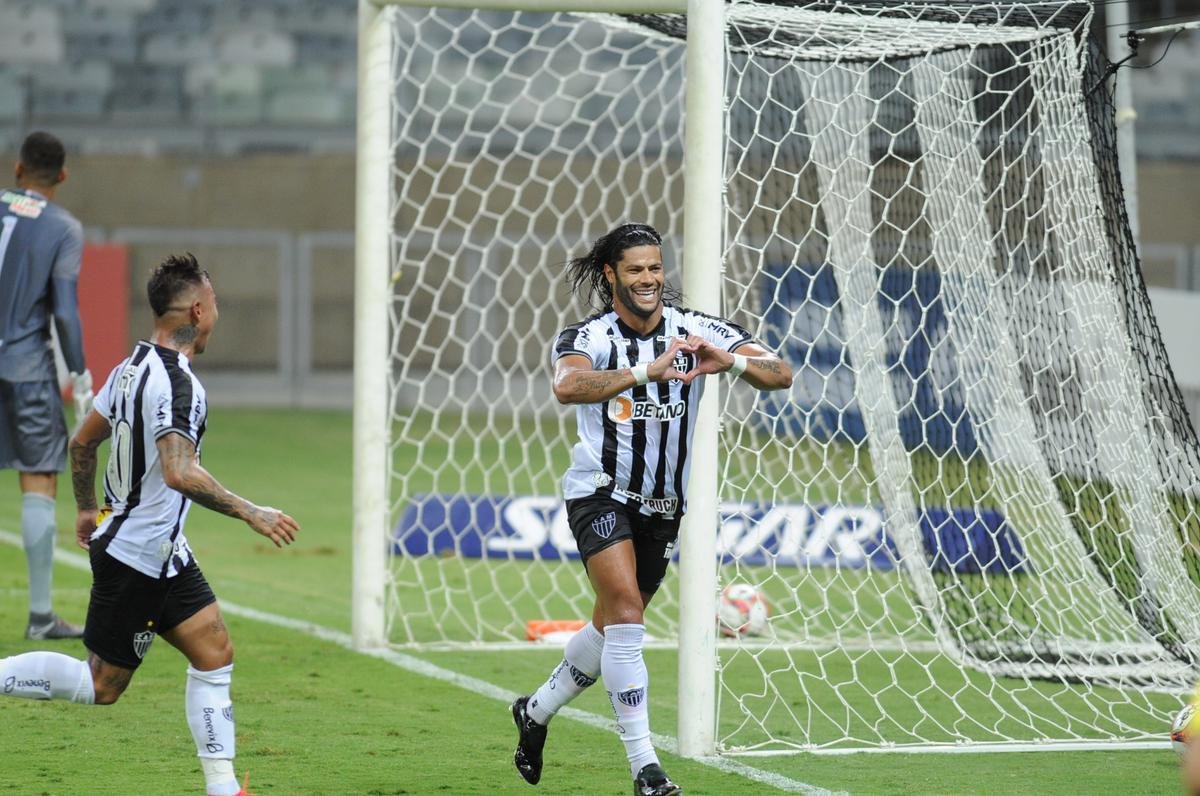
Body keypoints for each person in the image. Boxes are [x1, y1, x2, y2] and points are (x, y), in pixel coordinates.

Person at [0, 253, 300, 796]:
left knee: (214, 654)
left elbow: (82, 442)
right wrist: (251, 511)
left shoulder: (128, 367)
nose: (217, 313)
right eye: (214, 303)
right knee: (101, 685)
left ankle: (225, 788)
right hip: (136, 554)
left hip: (161, 549)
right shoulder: (179, 384)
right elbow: (179, 471)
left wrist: (87, 508)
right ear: (198, 310)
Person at [511, 223, 793, 795]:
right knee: (626, 615)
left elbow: (781, 373)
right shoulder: (588, 335)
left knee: (610, 625)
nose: (648, 279)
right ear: (611, 274)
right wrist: (647, 371)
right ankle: (646, 769)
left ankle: (534, 711)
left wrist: (729, 361)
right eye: (635, 269)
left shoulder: (699, 329)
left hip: (663, 505)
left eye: (655, 268)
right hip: (600, 492)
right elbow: (567, 386)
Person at [0, 131, 93, 640]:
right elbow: (64, 311)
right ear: (62, 175)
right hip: (26, 370)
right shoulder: (63, 228)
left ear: (17, 169)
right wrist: (79, 373)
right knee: (38, 478)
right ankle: (40, 617)